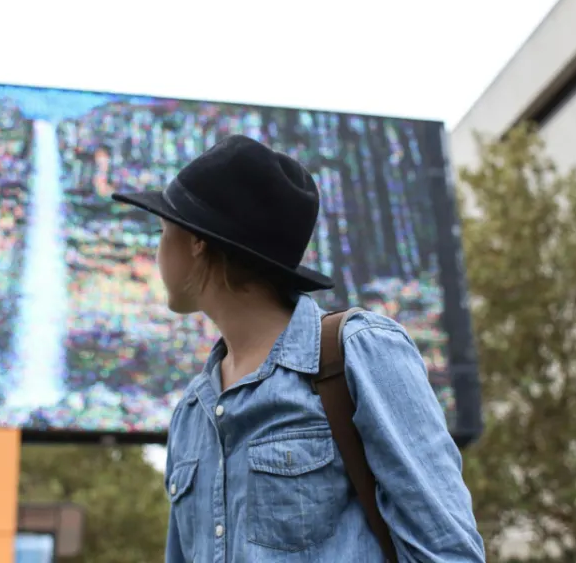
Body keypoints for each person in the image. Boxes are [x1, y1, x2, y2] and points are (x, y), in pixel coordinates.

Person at [112, 134, 485, 562]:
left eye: (161, 231)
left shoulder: (360, 353)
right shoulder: (191, 414)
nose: (157, 250)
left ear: (197, 242)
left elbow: (448, 552)